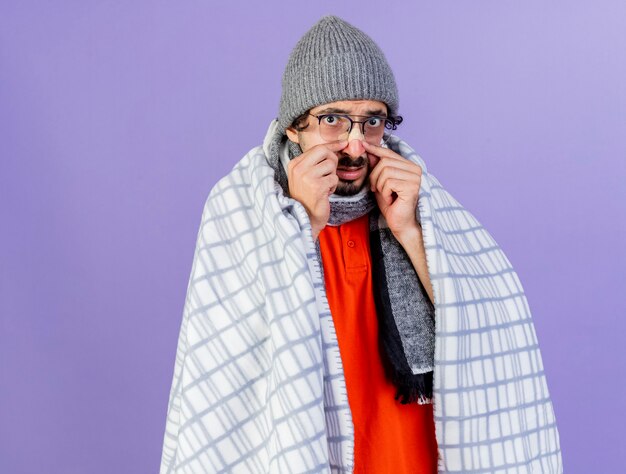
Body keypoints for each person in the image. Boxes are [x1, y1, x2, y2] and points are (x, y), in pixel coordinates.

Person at [160, 15, 563, 474]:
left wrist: (410, 232)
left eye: (372, 122)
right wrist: (303, 226)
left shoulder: (419, 200)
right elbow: (227, 363)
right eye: (332, 120)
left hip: (418, 458)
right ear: (294, 127)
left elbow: (487, 333)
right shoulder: (241, 208)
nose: (355, 144)